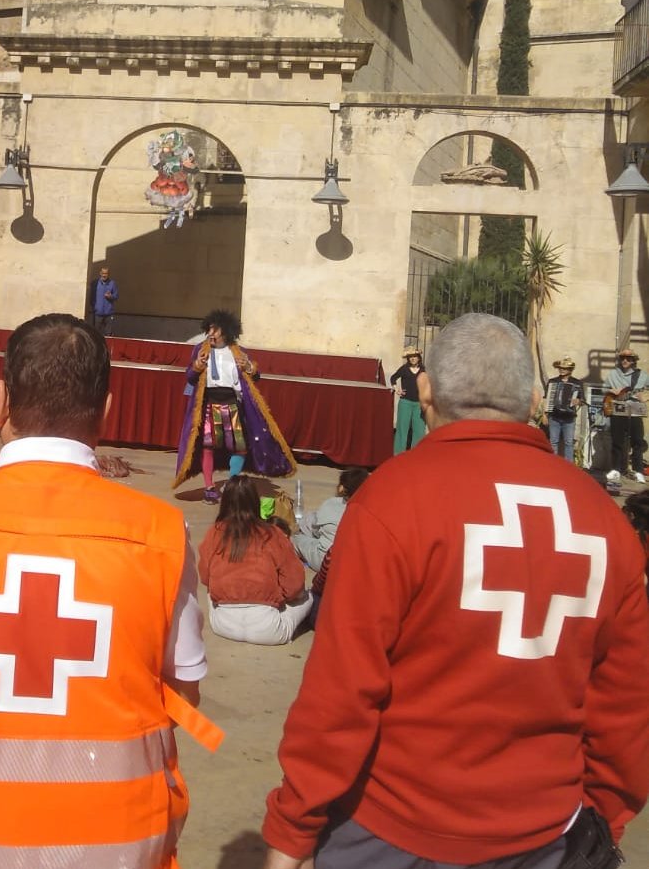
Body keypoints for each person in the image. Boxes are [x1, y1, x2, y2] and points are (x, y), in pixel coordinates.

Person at [261, 313, 649, 869]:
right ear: (534, 400)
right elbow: (626, 705)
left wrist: (293, 828)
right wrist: (605, 818)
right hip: (546, 835)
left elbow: (341, 689)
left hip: (389, 830)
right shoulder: (605, 519)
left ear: (425, 392)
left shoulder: (392, 498)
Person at [0, 313, 217, 867]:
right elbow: (184, 692)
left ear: (1, 402)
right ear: (106, 410)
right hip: (111, 848)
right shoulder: (161, 533)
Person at [173, 309, 295, 504]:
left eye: (215, 329)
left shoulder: (239, 352)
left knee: (239, 448)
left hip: (232, 405)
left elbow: (255, 376)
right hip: (209, 405)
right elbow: (190, 377)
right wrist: (197, 365)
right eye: (209, 329)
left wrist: (248, 367)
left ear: (226, 331)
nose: (211, 333)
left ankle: (231, 484)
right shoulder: (200, 350)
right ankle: (209, 488)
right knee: (207, 447)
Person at [197, 475, 311, 645]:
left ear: (225, 503)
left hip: (222, 625)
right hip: (269, 629)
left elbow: (205, 577)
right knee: (309, 596)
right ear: (255, 502)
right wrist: (276, 596)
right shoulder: (273, 533)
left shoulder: (214, 531)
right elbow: (294, 585)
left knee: (211, 587)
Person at [291, 467, 369, 572]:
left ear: (341, 488)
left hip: (326, 562)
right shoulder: (369, 511)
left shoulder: (332, 503)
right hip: (355, 563)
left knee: (296, 539)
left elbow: (313, 528)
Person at [605, 347, 648, 486]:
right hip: (618, 406)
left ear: (633, 360)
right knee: (617, 440)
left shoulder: (642, 375)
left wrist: (645, 397)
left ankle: (638, 471)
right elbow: (604, 389)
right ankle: (615, 469)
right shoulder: (613, 374)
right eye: (622, 358)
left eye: (628, 359)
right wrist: (611, 390)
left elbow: (647, 391)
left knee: (637, 440)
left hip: (635, 407)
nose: (625, 361)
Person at [542, 355, 586, 462]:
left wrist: (578, 401)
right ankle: (552, 464)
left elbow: (583, 400)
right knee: (553, 442)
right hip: (554, 416)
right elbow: (546, 399)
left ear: (570, 370)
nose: (561, 370)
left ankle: (568, 466)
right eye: (560, 368)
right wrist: (545, 415)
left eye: (564, 368)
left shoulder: (577, 383)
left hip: (569, 417)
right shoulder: (553, 382)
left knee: (569, 442)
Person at [389, 346, 426, 453]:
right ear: (408, 358)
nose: (413, 358)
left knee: (419, 431)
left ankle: (416, 456)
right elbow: (393, 378)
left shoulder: (424, 370)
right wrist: (397, 389)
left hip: (419, 404)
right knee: (402, 430)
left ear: (419, 357)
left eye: (415, 356)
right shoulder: (404, 369)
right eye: (410, 357)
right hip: (405, 403)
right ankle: (398, 455)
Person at [90, 265, 118, 335]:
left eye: (106, 273)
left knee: (109, 334)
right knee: (95, 334)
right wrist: (94, 308)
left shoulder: (112, 283)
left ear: (108, 274)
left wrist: (110, 296)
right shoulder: (95, 283)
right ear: (100, 273)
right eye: (103, 273)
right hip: (98, 314)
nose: (104, 275)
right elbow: (91, 297)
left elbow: (116, 296)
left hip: (109, 314)